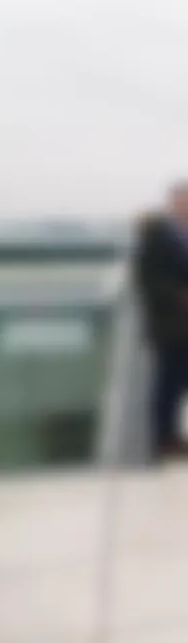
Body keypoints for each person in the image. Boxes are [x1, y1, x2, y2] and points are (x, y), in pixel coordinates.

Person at [136, 181, 188, 459]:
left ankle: (174, 437)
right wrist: (179, 295)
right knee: (168, 384)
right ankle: (163, 440)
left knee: (180, 384)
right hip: (170, 326)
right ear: (173, 203)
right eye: (182, 201)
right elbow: (147, 278)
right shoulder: (157, 236)